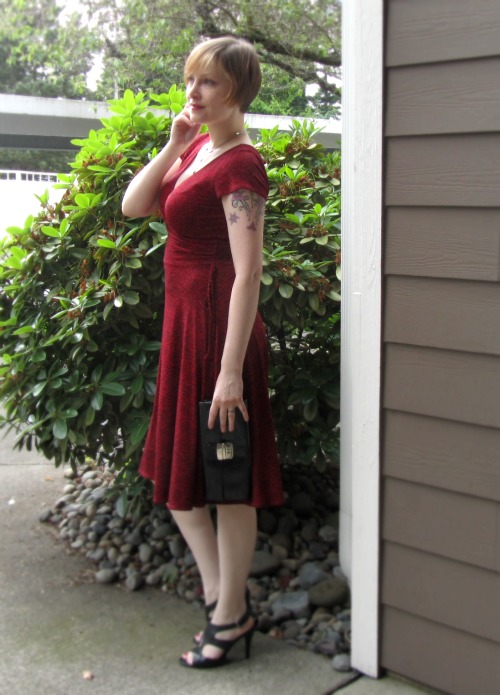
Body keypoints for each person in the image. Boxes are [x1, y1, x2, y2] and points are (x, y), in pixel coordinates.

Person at [122, 36, 284, 669]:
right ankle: (224, 598)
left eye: (209, 82)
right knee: (179, 478)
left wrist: (230, 373)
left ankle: (230, 614)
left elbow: (249, 274)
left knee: (228, 480)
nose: (193, 91)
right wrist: (173, 144)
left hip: (220, 334)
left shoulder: (241, 165)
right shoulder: (197, 150)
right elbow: (135, 206)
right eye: (191, 79)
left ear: (239, 91)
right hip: (185, 327)